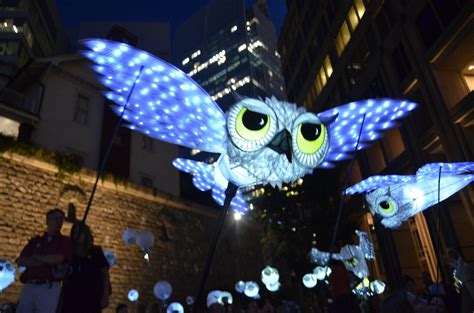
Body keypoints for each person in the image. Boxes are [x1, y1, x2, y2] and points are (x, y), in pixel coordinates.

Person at [16, 208, 72, 313]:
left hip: (48, 287)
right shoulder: (36, 241)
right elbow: (21, 261)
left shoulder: (64, 242)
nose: (59, 222)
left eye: (61, 219)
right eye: (56, 218)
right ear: (48, 221)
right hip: (30, 285)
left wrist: (36, 257)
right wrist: (47, 260)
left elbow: (58, 258)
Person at [60, 222, 111, 313]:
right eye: (75, 232)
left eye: (81, 232)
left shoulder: (96, 252)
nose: (78, 235)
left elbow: (104, 274)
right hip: (71, 296)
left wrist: (105, 295)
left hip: (91, 296)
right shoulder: (70, 253)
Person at [446, 248, 474, 313]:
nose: (450, 257)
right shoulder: (456, 267)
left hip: (469, 286)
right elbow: (456, 284)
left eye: (451, 254)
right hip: (465, 289)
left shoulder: (463, 265)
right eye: (449, 255)